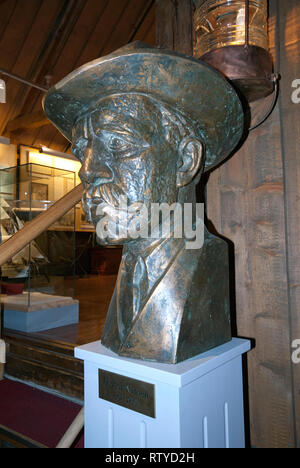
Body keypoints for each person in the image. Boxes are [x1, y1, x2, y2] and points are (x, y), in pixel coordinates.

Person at [43, 42, 244, 363]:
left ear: (185, 161)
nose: (88, 170)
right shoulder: (129, 266)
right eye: (84, 151)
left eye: (119, 143)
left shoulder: (205, 259)